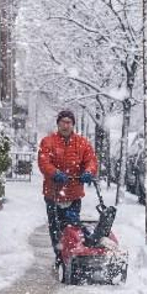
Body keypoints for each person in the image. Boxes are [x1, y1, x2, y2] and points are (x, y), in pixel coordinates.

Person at [37, 110, 98, 264]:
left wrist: (88, 172)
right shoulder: (48, 142)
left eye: (69, 122)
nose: (66, 125)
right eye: (63, 122)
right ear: (58, 124)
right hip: (53, 193)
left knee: (72, 226)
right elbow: (44, 162)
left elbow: (91, 161)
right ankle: (59, 255)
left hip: (74, 193)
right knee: (56, 227)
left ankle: (71, 254)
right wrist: (55, 173)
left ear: (73, 125)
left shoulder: (82, 143)